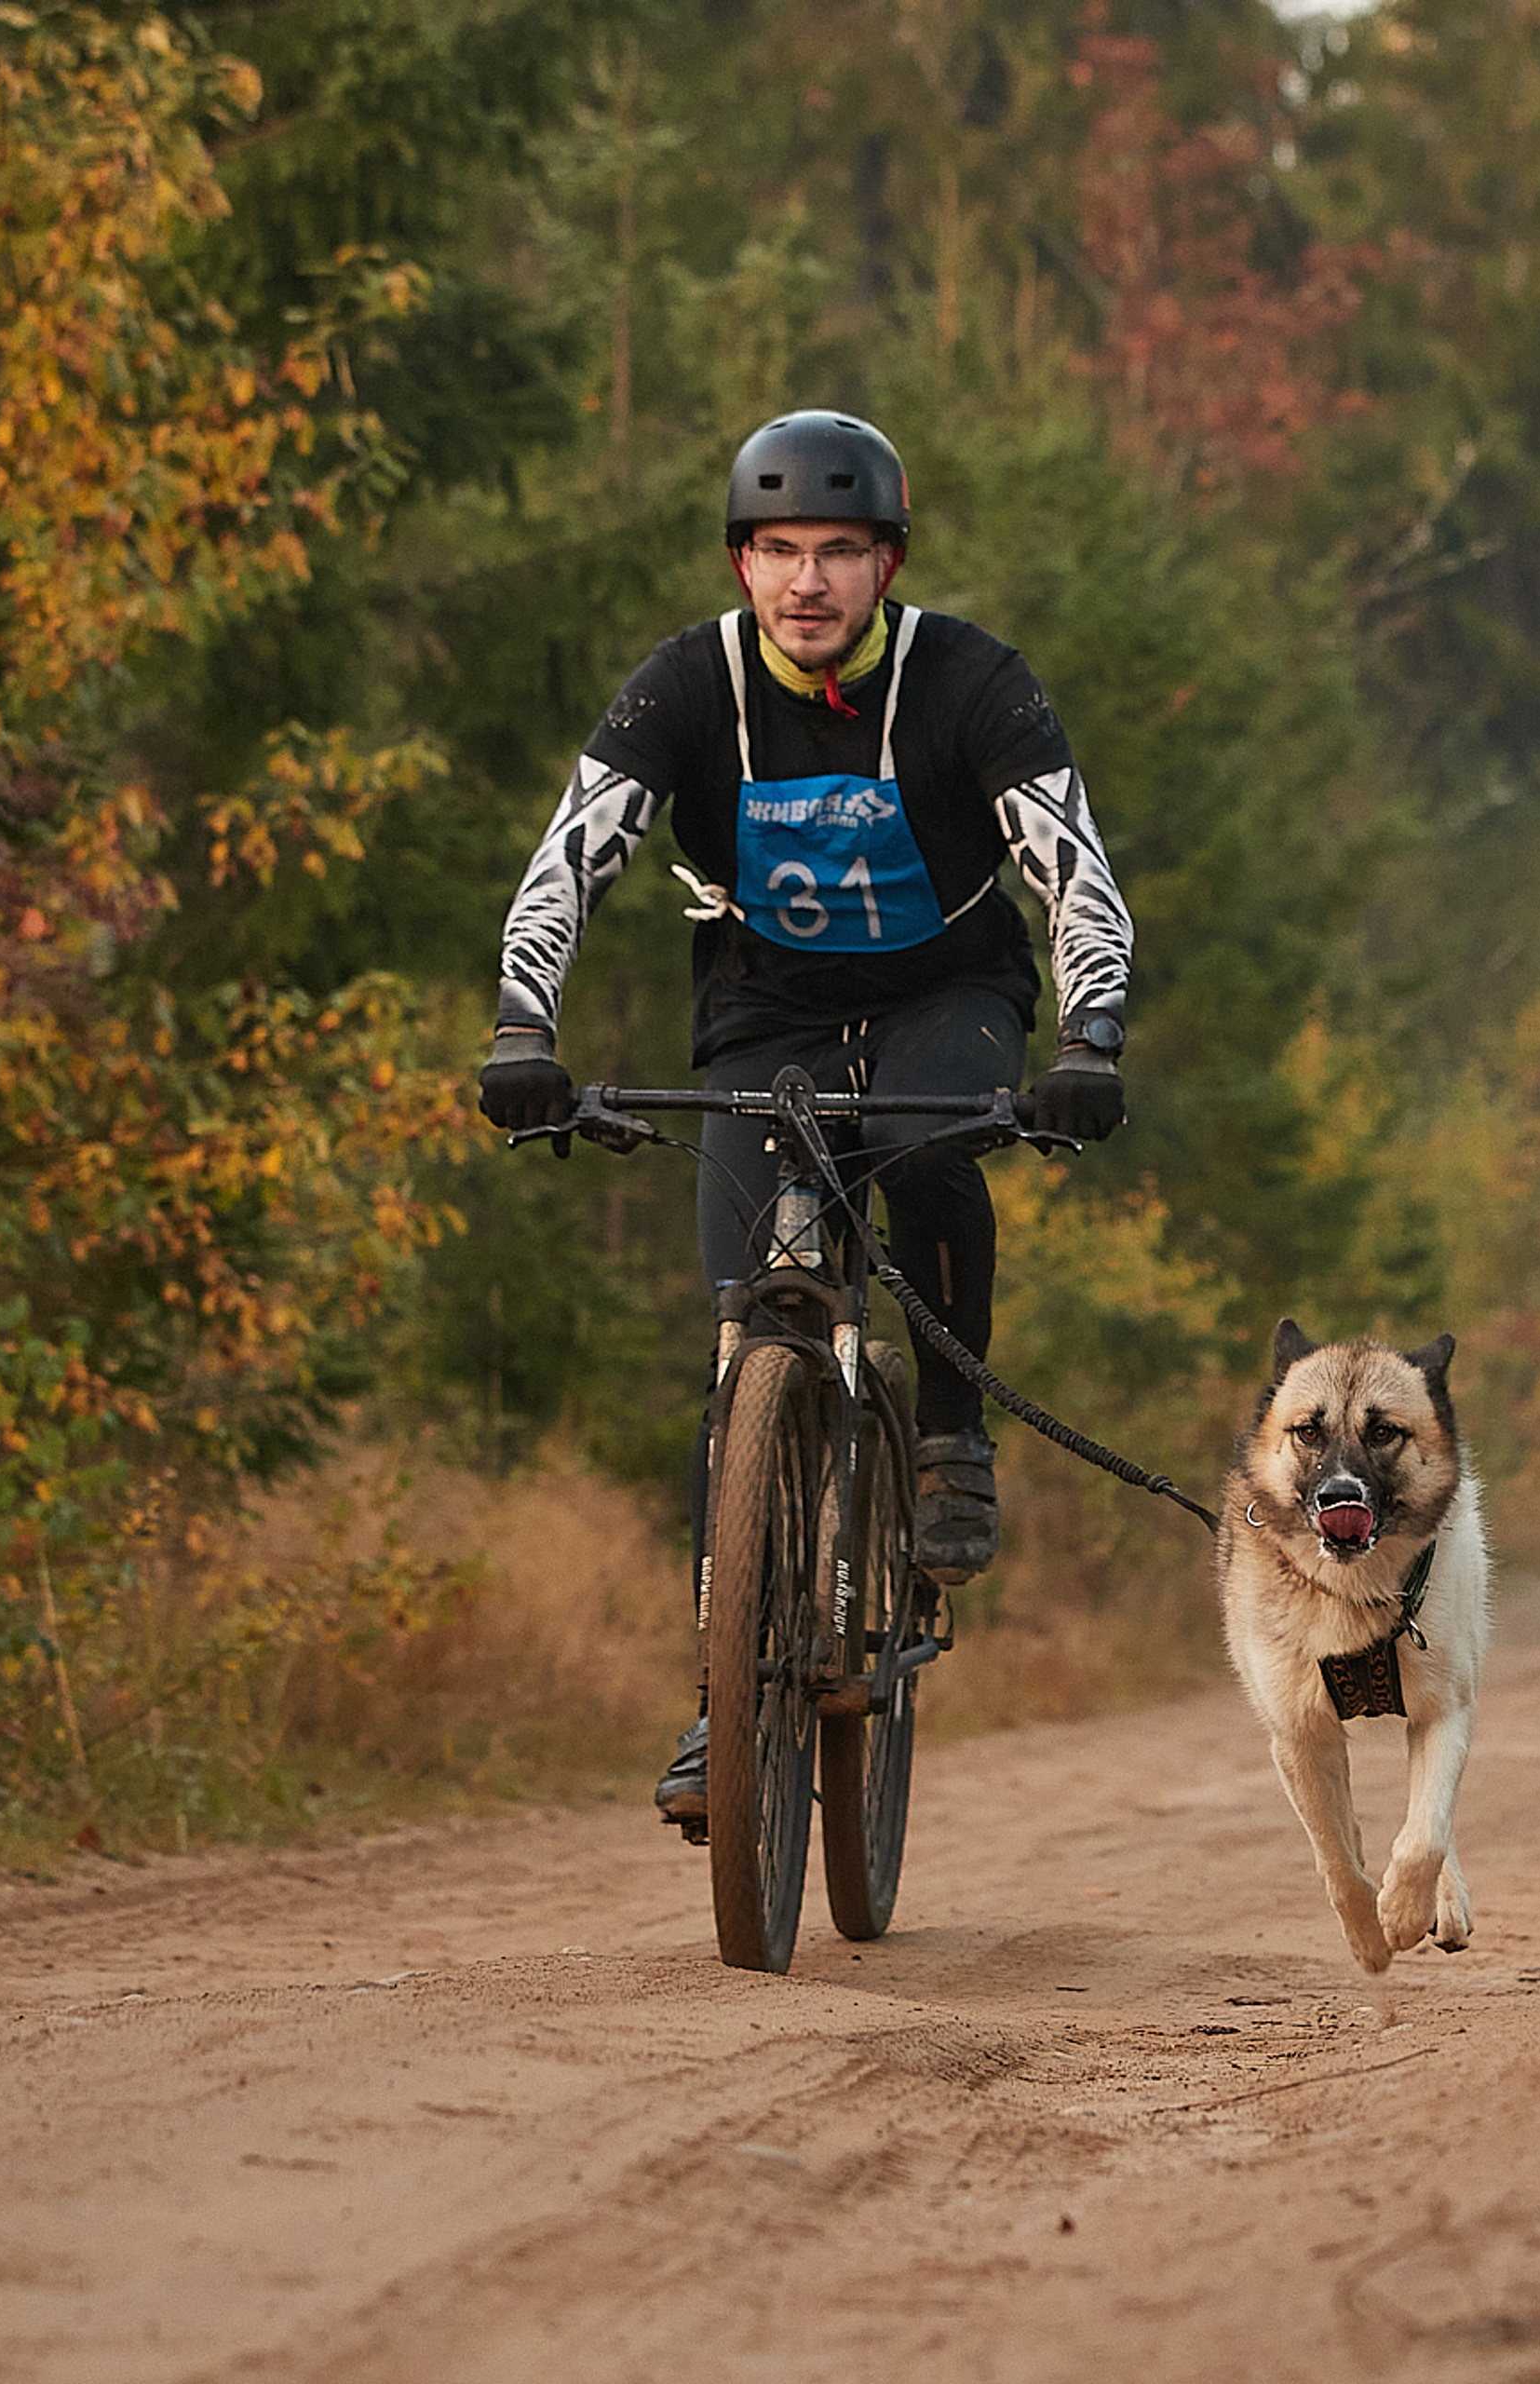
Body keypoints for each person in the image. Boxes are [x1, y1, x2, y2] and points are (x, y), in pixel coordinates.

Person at [477, 410, 1133, 1822]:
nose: (809, 582)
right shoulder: (687, 688)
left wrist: (1089, 1034)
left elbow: (1074, 872)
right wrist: (524, 1026)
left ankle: (951, 1432)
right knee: (742, 1337)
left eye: (841, 551)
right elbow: (567, 864)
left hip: (946, 991)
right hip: (762, 1016)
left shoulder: (970, 682)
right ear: (741, 563)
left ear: (889, 564)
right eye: (780, 552)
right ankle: (726, 1697)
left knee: (931, 1137)